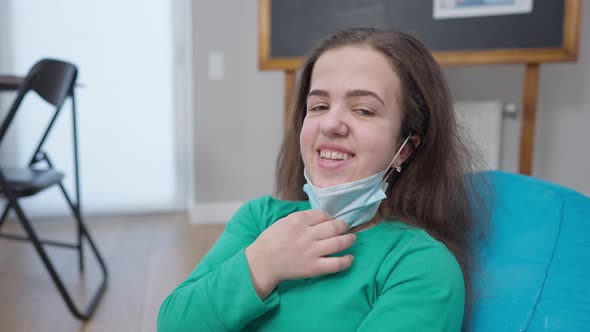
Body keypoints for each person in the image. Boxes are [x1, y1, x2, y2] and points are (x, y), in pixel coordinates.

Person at [158, 27, 487, 331]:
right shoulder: (258, 220)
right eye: (318, 106)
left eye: (363, 110)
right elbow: (173, 323)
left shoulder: (422, 266)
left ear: (404, 149)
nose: (331, 124)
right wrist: (262, 264)